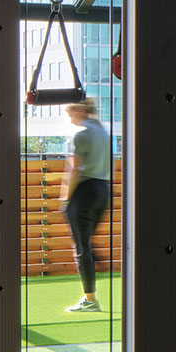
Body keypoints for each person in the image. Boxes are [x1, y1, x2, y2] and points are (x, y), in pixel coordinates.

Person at [61, 99, 112, 313]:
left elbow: (74, 169)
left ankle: (89, 299)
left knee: (81, 247)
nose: (69, 117)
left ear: (80, 109)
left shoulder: (80, 133)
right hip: (103, 190)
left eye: (70, 112)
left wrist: (65, 197)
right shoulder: (103, 132)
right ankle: (92, 267)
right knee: (86, 243)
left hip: (84, 193)